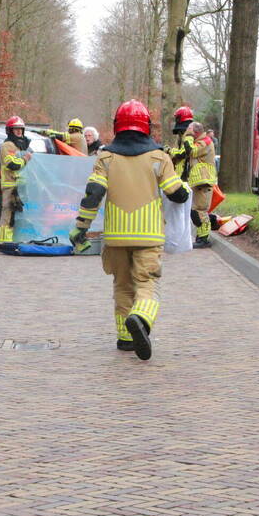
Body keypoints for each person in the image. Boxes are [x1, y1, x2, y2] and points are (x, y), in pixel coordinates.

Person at [69, 100, 189, 361]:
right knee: (146, 283)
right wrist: (184, 191)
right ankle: (141, 318)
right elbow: (176, 193)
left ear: (117, 126)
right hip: (149, 235)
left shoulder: (105, 157)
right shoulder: (159, 157)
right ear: (146, 126)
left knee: (122, 285)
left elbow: (93, 194)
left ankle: (125, 338)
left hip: (116, 236)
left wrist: (81, 227)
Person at [0, 116, 32, 243]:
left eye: (21, 129)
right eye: (16, 129)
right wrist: (25, 159)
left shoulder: (22, 146)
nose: (19, 131)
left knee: (19, 216)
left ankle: (17, 240)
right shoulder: (7, 145)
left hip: (21, 187)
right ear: (10, 131)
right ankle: (4, 241)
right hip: (10, 186)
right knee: (8, 216)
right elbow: (12, 165)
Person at [186, 121, 217, 248]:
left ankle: (204, 239)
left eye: (189, 129)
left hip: (204, 181)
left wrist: (188, 137)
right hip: (199, 181)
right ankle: (202, 235)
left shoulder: (205, 142)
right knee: (196, 211)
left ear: (196, 132)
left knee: (200, 210)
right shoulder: (200, 141)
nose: (187, 131)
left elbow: (192, 151)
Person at [166, 106, 195, 183]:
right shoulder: (182, 135)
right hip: (180, 175)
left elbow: (183, 153)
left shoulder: (189, 135)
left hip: (186, 176)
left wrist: (169, 151)